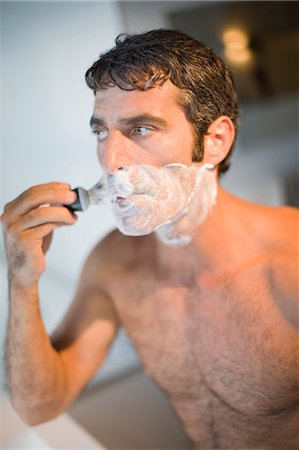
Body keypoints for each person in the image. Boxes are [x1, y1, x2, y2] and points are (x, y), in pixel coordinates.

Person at [1, 29, 298, 449]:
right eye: (101, 132)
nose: (110, 159)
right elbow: (38, 406)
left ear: (215, 141)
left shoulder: (291, 259)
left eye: (140, 128)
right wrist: (21, 279)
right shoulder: (115, 265)